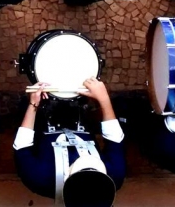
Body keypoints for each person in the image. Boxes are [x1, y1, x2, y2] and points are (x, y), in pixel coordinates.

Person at [14, 78, 126, 206]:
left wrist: (33, 104)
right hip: (81, 118)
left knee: (23, 105)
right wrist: (104, 99)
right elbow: (115, 139)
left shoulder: (38, 179)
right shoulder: (114, 179)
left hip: (43, 118)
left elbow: (21, 145)